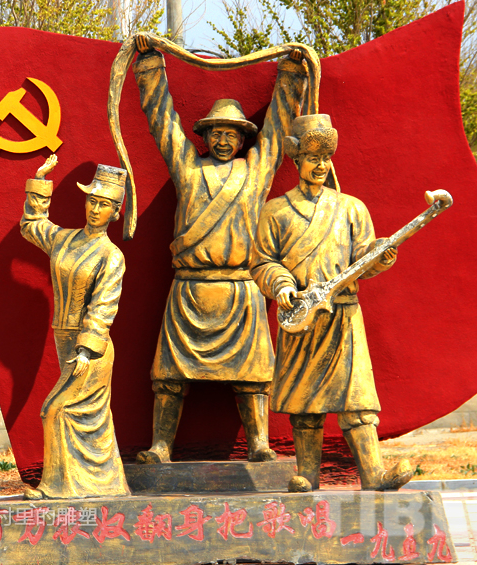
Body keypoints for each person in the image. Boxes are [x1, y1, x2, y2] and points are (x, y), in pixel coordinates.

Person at [132, 34, 307, 464]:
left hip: (240, 288)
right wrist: (150, 67)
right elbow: (162, 122)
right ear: (205, 137)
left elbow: (278, 127)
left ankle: (259, 444)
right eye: (216, 133)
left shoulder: (256, 171)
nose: (224, 140)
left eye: (231, 134)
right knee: (168, 377)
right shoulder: (188, 170)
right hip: (189, 288)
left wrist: (290, 75)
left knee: (253, 377)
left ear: (243, 139)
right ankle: (161, 446)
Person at [250, 115, 413, 492]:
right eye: (313, 158)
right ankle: (307, 477)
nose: (321, 165)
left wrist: (380, 257)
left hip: (344, 316)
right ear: (297, 160)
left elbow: (363, 262)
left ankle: (374, 475)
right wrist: (282, 285)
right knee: (305, 406)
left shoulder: (352, 209)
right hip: (301, 316)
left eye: (326, 158)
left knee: (358, 403)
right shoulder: (276, 211)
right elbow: (262, 262)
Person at [19, 154, 131, 499]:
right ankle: (101, 485)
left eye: (104, 204)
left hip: (91, 351)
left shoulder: (111, 256)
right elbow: (31, 225)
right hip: (64, 340)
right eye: (92, 201)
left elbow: (103, 307)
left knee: (55, 409)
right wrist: (41, 182)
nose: (95, 209)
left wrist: (85, 350)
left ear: (115, 212)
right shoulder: (64, 240)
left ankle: (54, 487)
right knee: (88, 420)